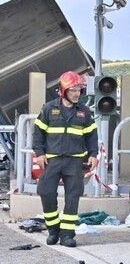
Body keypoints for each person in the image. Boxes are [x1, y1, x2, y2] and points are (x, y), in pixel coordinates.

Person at [32, 71, 98, 247]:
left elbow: (92, 136)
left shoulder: (84, 112)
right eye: (73, 90)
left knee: (73, 197)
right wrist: (39, 153)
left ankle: (67, 235)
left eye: (79, 90)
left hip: (75, 162)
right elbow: (38, 133)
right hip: (52, 160)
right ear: (63, 91)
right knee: (45, 193)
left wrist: (93, 154)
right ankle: (53, 230)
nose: (77, 93)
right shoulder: (48, 109)